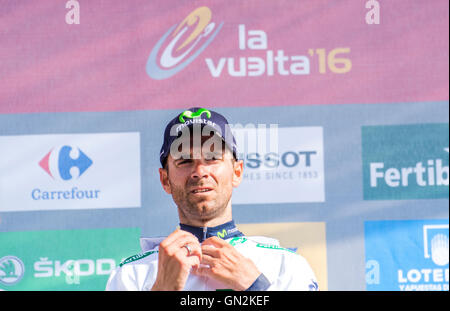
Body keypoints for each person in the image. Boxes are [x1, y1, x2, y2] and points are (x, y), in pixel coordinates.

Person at [105, 107, 319, 291]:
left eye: (212, 158)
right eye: (184, 161)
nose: (199, 171)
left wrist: (255, 286)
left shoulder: (285, 265)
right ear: (165, 180)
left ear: (237, 172)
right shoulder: (131, 274)